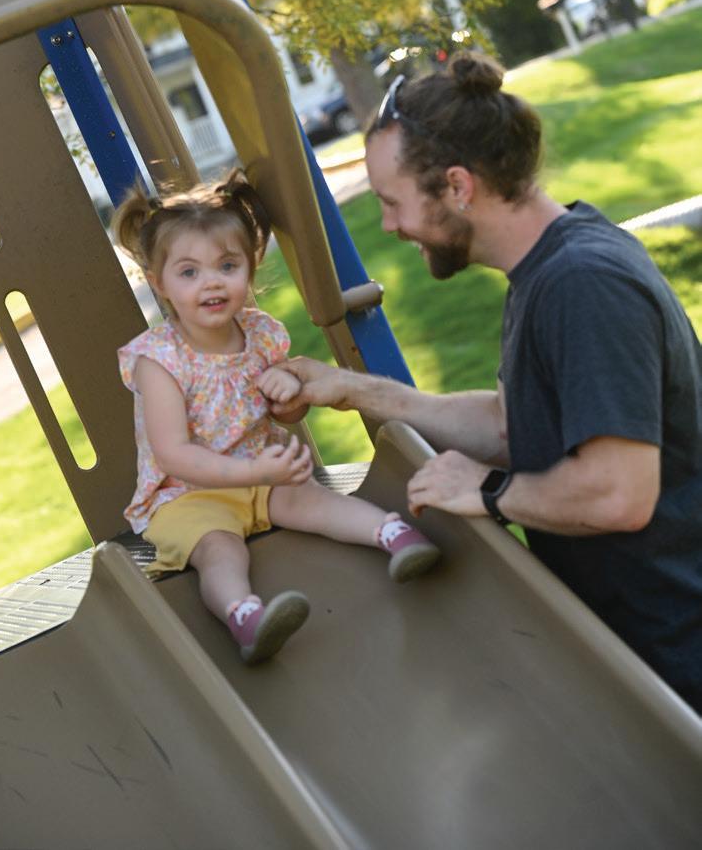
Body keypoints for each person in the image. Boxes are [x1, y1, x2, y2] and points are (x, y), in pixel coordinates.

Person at [274, 53, 702, 713]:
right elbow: (510, 425)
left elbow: (619, 492)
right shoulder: (546, 271)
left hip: (682, 655)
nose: (388, 225)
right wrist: (355, 389)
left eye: (392, 202)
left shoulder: (583, 283)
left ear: (457, 186)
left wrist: (488, 491)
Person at [113, 170, 439, 666]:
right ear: (159, 283)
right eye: (189, 272)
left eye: (227, 265)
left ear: (250, 266)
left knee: (313, 502)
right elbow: (173, 454)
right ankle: (245, 616)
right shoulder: (159, 360)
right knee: (221, 550)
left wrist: (289, 396)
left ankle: (395, 536)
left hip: (260, 477)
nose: (212, 282)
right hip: (187, 495)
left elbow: (285, 414)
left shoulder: (261, 334)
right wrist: (253, 471)